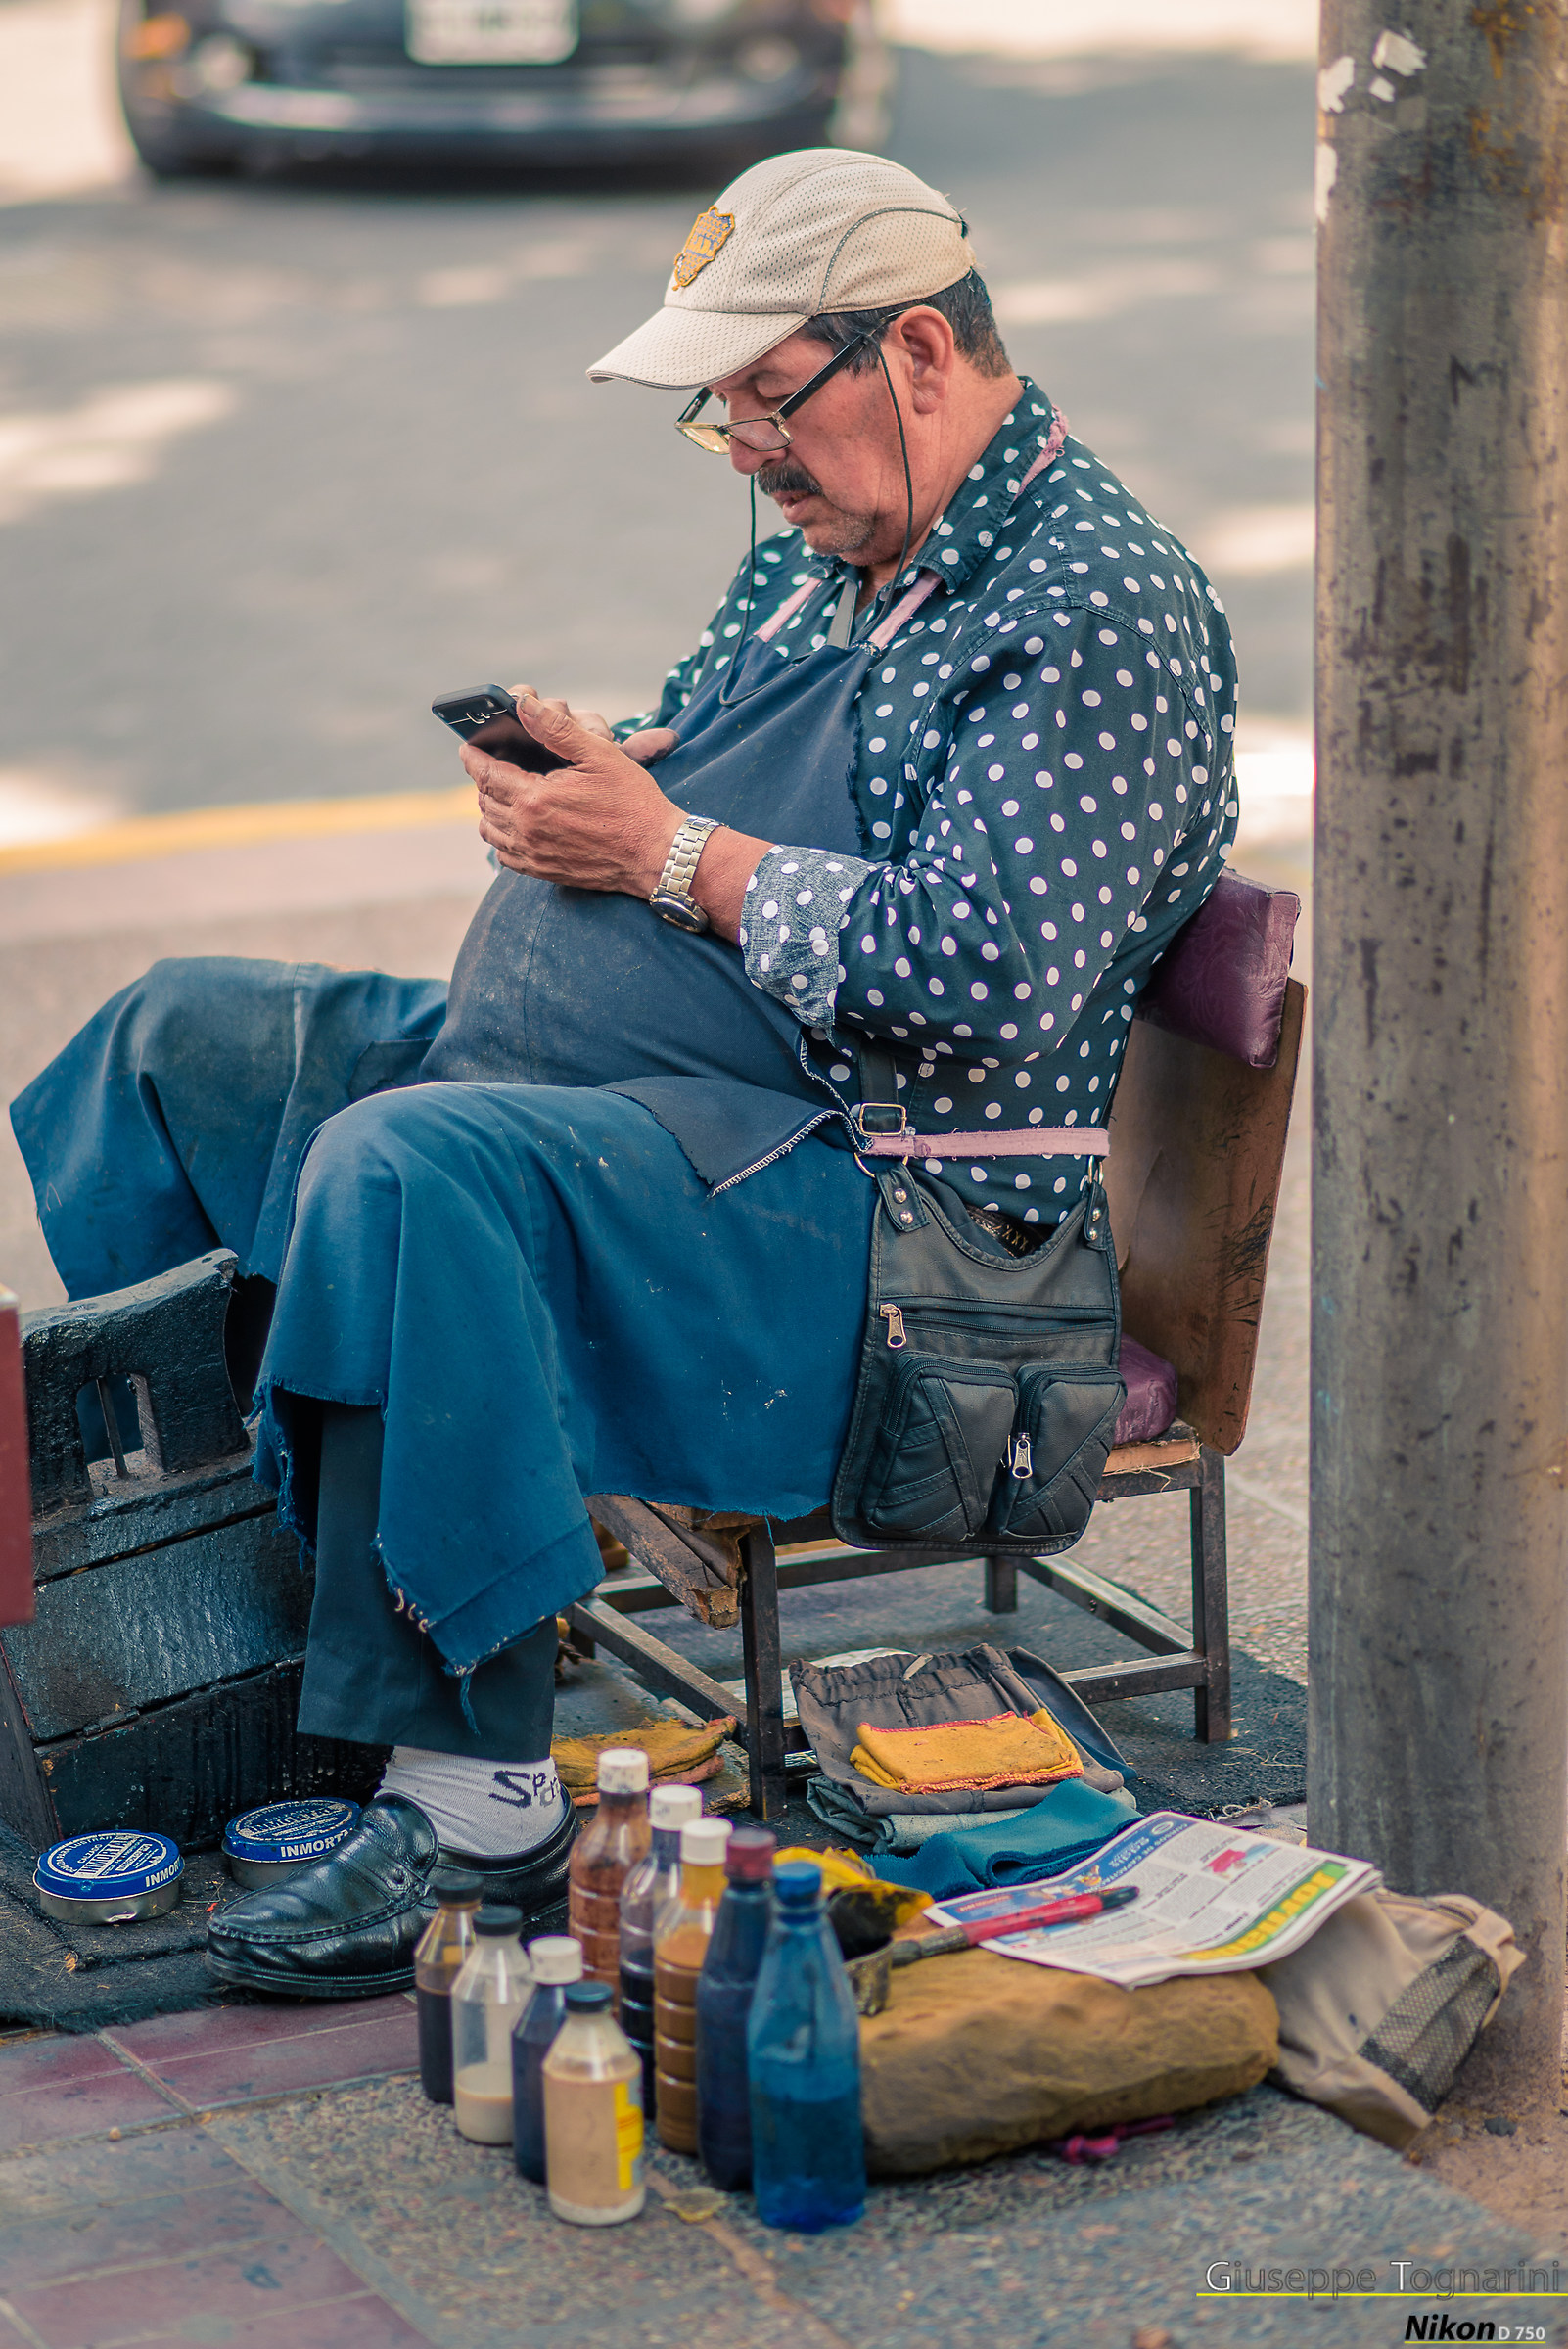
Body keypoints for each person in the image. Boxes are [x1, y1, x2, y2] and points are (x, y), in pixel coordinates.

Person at [10, 149, 1238, 1998]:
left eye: (767, 397)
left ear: (913, 353)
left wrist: (660, 853)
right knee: (177, 1038)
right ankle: (306, 1588)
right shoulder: (832, 558)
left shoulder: (1098, 609)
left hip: (891, 1227)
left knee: (417, 1168)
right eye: (716, 410)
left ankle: (472, 1784)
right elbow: (696, 778)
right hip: (654, 1103)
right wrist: (585, 783)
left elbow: (987, 980)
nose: (742, 447)